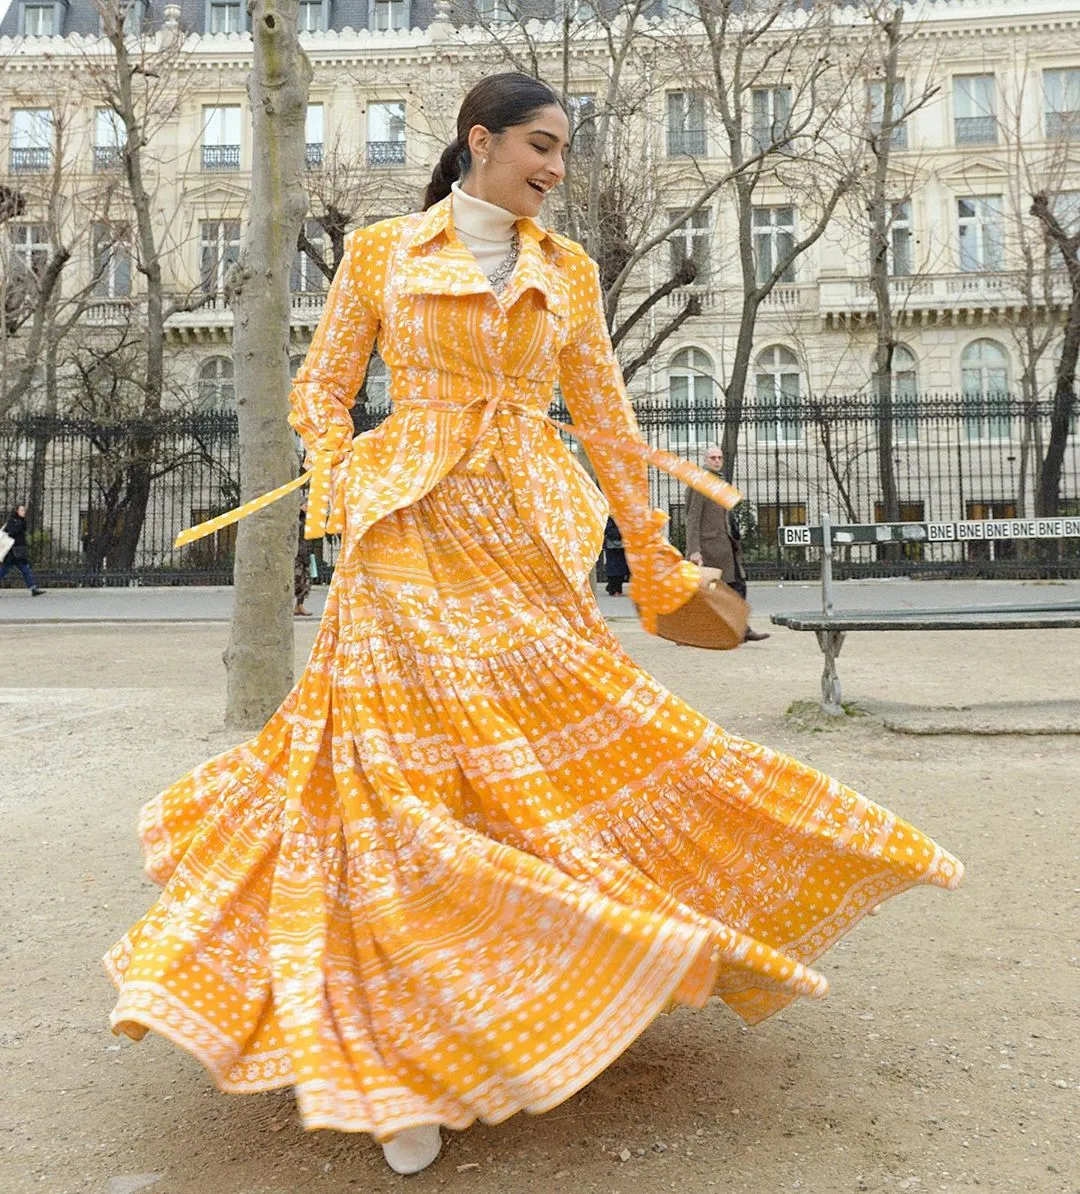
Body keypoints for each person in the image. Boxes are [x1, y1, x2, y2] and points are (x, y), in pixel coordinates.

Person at [105, 73, 963, 1177]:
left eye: (564, 150)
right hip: (404, 528)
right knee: (389, 781)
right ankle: (396, 1061)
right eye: (542, 146)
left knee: (543, 764)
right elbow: (321, 391)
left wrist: (656, 560)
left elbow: (607, 418)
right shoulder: (379, 252)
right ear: (483, 141)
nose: (556, 168)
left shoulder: (570, 270)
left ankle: (531, 984)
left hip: (527, 537)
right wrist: (347, 471)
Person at [685, 444, 768, 641]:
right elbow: (692, 519)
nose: (716, 461)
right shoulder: (699, 485)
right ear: (705, 460)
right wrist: (694, 550)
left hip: (725, 546)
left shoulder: (719, 483)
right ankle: (733, 629)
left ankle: (739, 628)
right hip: (709, 548)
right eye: (712, 458)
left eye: (719, 458)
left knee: (735, 587)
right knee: (714, 592)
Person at [1, 505, 45, 596]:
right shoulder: (12, 520)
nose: (24, 511)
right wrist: (20, 524)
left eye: (24, 510)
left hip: (19, 551)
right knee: (3, 571)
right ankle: (33, 588)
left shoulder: (22, 521)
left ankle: (33, 588)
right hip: (12, 552)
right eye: (21, 510)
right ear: (17, 511)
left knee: (26, 570)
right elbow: (11, 532)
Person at [602, 516, 630, 595]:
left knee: (616, 567)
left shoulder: (612, 515)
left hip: (615, 545)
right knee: (617, 567)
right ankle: (615, 588)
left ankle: (614, 587)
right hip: (618, 545)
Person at [294, 503, 313, 616]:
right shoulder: (297, 520)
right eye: (304, 505)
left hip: (306, 554)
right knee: (295, 580)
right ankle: (294, 605)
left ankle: (299, 605)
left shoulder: (308, 520)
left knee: (305, 581)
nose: (307, 507)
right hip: (297, 555)